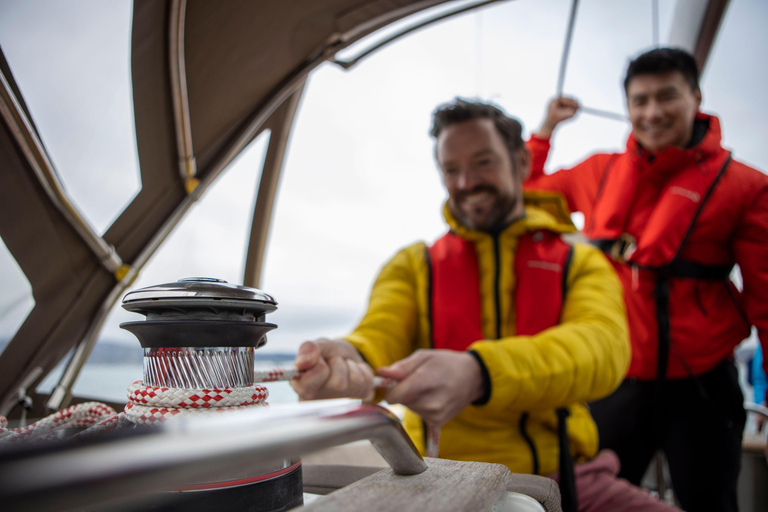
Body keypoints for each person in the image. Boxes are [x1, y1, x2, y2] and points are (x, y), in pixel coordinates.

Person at [291, 98, 680, 511]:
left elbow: (604, 348)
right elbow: (378, 335)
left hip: (569, 478)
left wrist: (480, 373)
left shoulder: (578, 261)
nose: (465, 182)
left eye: (482, 162)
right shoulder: (413, 265)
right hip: (438, 480)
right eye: (451, 169)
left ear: (521, 164)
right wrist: (347, 361)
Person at [525, 47, 768, 512]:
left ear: (695, 97)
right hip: (614, 381)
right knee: (587, 502)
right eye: (640, 101)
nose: (652, 112)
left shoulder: (747, 187)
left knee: (711, 501)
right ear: (628, 107)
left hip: (702, 387)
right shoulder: (597, 172)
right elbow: (526, 196)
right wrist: (545, 131)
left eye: (666, 96)